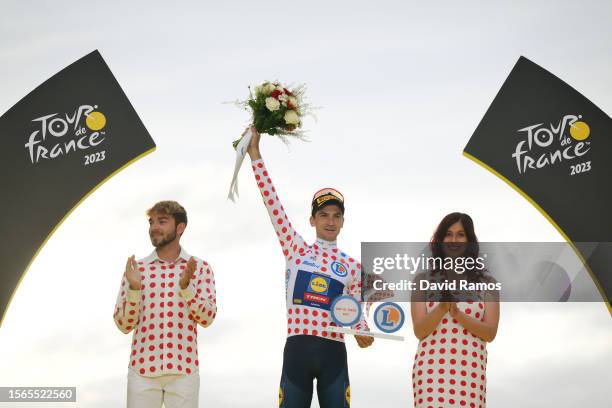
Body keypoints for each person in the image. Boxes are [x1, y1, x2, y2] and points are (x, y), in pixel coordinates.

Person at [246, 126, 373, 408]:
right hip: (297, 350)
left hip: (334, 353)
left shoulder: (354, 267)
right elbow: (272, 203)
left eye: (336, 216)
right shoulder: (296, 249)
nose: (330, 221)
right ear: (312, 220)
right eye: (323, 215)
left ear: (343, 221)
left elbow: (355, 311)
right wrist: (255, 155)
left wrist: (364, 332)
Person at [113, 201, 217, 408]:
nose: (154, 228)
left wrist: (186, 287)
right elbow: (123, 325)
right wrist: (134, 288)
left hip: (184, 372)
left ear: (180, 228)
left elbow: (207, 319)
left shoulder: (200, 268)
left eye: (162, 221)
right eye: (151, 222)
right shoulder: (136, 270)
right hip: (141, 372)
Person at [410, 212, 500, 408]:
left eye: (460, 234)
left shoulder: (488, 283)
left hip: (470, 372)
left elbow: (490, 332)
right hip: (432, 373)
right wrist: (442, 307)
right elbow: (419, 330)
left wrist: (458, 315)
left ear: (469, 241)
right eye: (448, 234)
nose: (454, 240)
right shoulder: (422, 280)